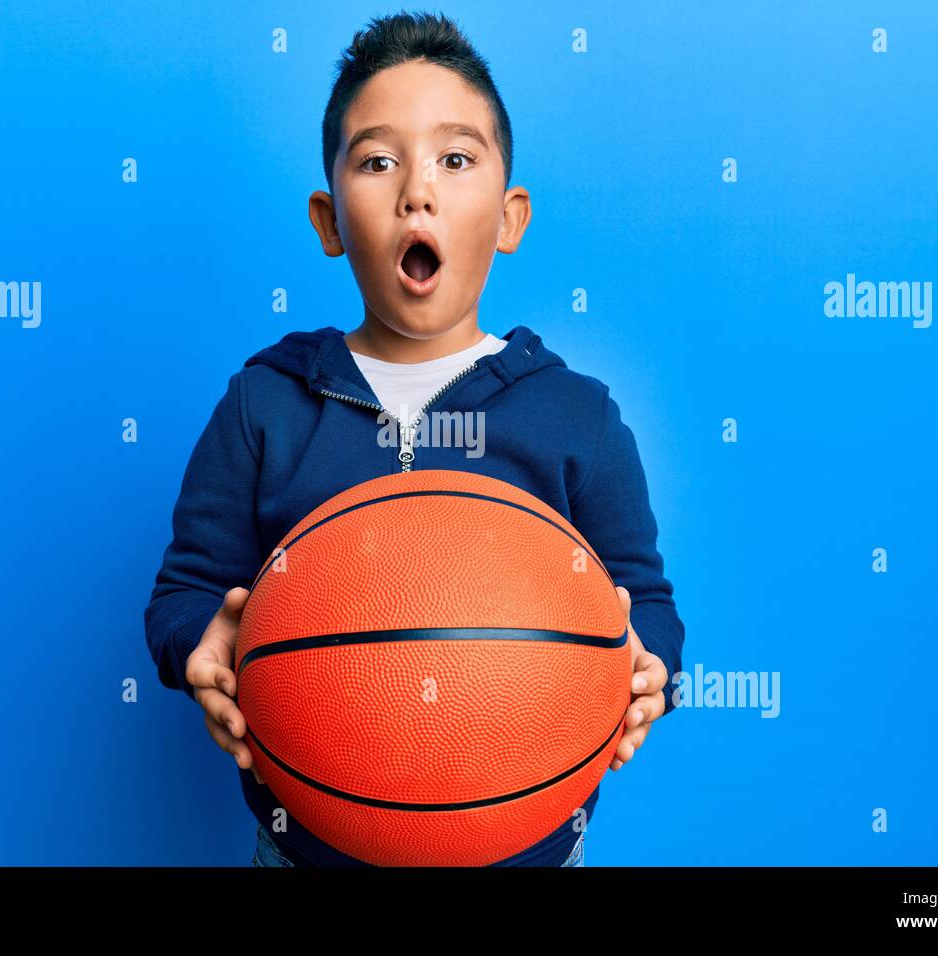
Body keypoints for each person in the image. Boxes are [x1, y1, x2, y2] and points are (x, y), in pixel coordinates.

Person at [143, 10, 684, 867]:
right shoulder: (264, 407)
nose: (416, 190)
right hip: (308, 851)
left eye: (455, 158)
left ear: (510, 218)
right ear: (328, 220)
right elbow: (183, 594)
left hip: (526, 851)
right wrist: (200, 645)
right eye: (378, 160)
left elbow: (645, 602)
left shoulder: (575, 417)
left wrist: (648, 666)